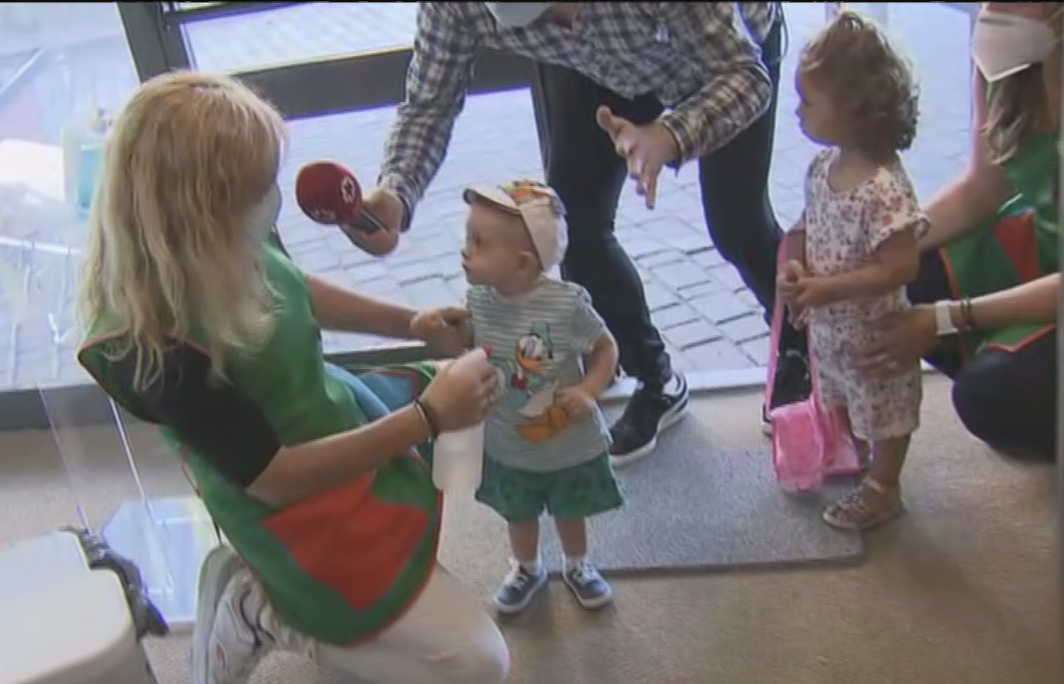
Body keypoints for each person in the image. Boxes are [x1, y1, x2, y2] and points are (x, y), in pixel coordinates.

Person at [73, 71, 511, 684]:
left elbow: (287, 284)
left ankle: (389, 580)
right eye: (259, 191)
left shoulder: (223, 229)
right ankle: (261, 609)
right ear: (202, 207)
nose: (274, 201)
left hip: (330, 415)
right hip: (291, 499)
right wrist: (426, 416)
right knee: (478, 671)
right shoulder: (149, 345)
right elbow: (273, 479)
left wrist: (412, 324)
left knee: (481, 414)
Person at [346, 2, 807, 466]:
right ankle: (656, 379)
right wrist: (397, 191)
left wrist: (668, 136)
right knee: (573, 228)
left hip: (726, 55)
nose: (551, 23)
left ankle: (800, 350)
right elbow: (429, 103)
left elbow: (745, 76)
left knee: (736, 224)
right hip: (595, 67)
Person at [860, 2, 1064, 464]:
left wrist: (948, 318)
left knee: (989, 395)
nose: (992, 8)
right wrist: (880, 249)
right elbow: (980, 190)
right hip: (1049, 259)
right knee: (898, 277)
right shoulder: (1006, 61)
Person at [415, 179, 624, 613]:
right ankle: (526, 567)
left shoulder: (566, 305)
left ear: (524, 263)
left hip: (565, 440)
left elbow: (606, 348)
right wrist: (437, 326)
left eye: (479, 242)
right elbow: (465, 343)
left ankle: (578, 564)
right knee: (519, 512)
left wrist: (588, 390)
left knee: (570, 509)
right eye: (467, 238)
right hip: (508, 440)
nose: (465, 250)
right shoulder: (478, 302)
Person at [779, 11, 928, 531]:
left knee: (883, 410)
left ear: (854, 109)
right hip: (831, 330)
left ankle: (884, 487)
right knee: (845, 398)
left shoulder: (884, 188)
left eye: (809, 102)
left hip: (874, 333)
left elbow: (901, 264)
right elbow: (805, 226)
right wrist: (795, 267)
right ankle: (861, 463)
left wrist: (827, 288)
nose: (797, 111)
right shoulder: (822, 167)